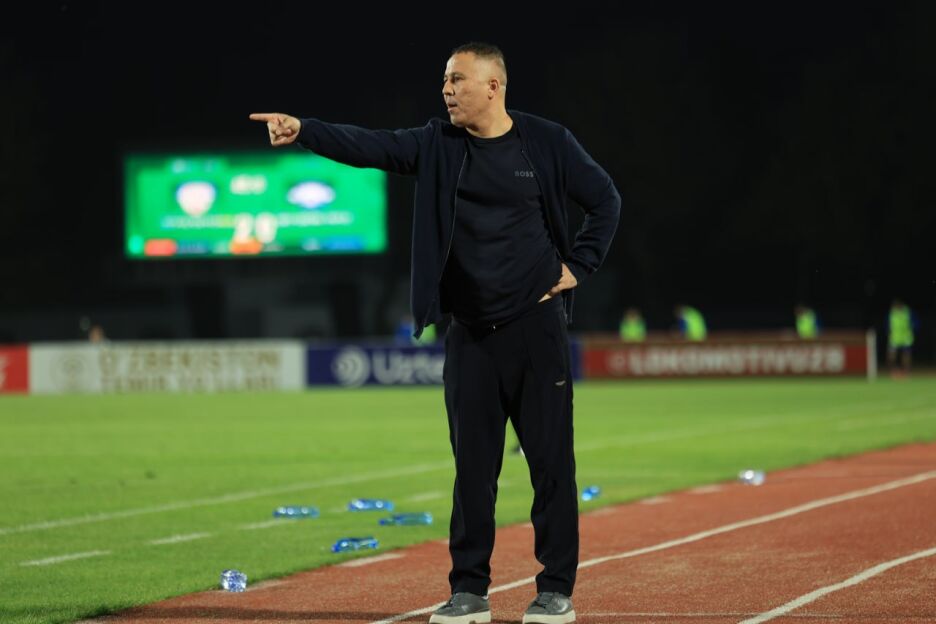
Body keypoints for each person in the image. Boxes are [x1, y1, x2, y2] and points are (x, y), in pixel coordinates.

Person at [251, 41, 620, 624]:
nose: (446, 89)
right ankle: (469, 592)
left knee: (551, 466)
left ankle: (555, 590)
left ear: (493, 86)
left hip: (536, 330)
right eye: (445, 80)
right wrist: (305, 131)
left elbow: (605, 200)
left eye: (457, 79)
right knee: (472, 472)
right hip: (469, 334)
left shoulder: (547, 142)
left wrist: (580, 266)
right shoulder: (437, 143)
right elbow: (371, 146)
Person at [887, 299, 915, 379]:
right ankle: (893, 370)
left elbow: (915, 323)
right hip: (894, 338)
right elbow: (888, 325)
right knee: (892, 355)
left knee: (906, 355)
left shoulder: (908, 312)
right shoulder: (892, 313)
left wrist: (912, 329)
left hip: (906, 338)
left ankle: (906, 371)